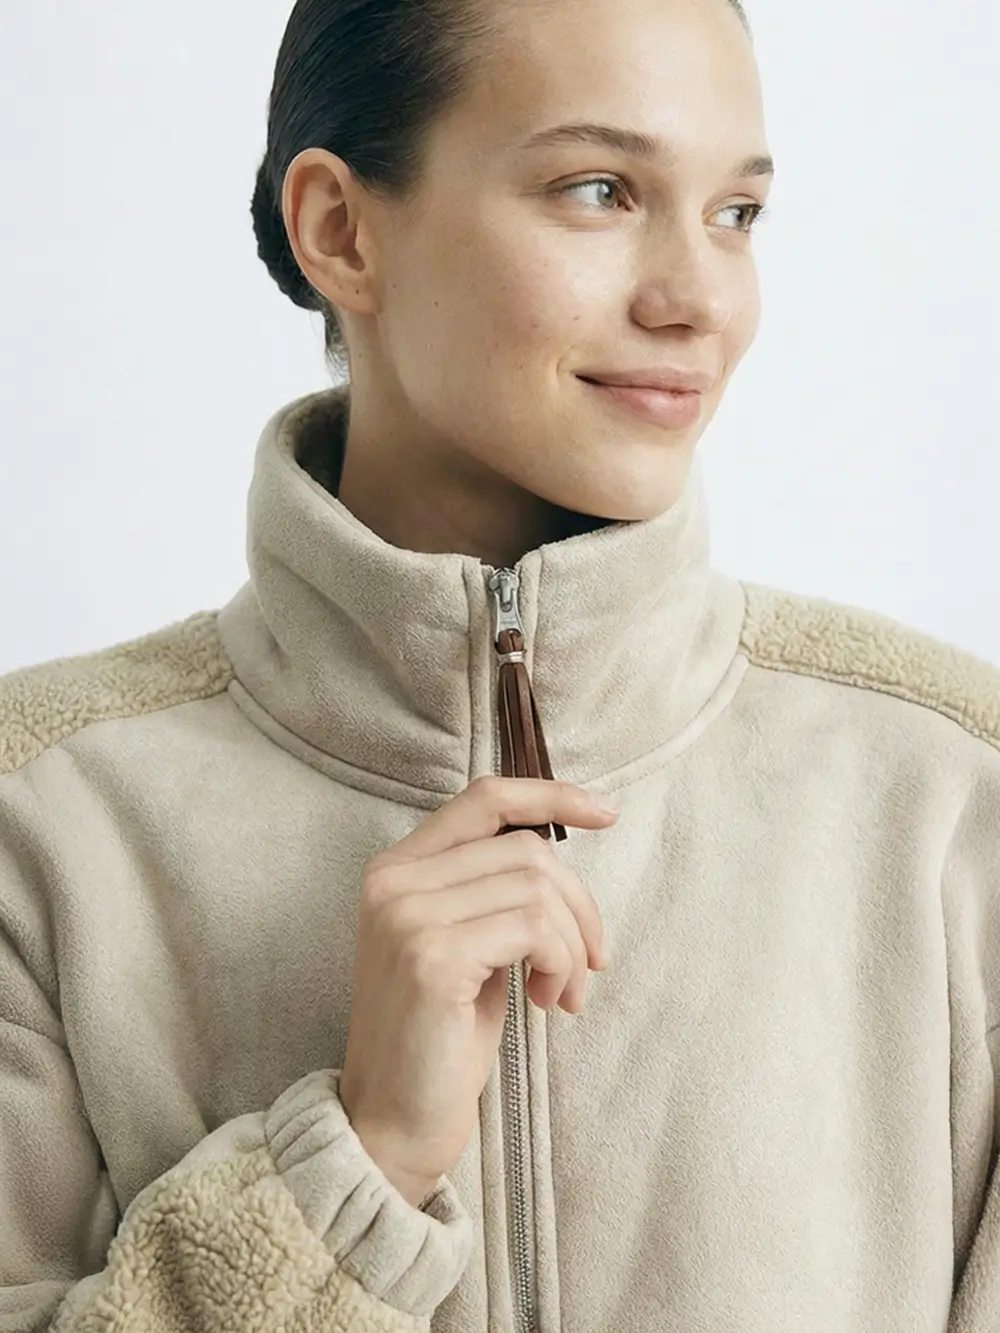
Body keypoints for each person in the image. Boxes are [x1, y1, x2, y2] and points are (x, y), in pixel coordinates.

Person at [1, 0, 997, 1327]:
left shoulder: (954, 803)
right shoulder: (41, 825)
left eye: (736, 213)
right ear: (341, 230)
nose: (700, 300)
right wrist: (351, 1175)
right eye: (599, 191)